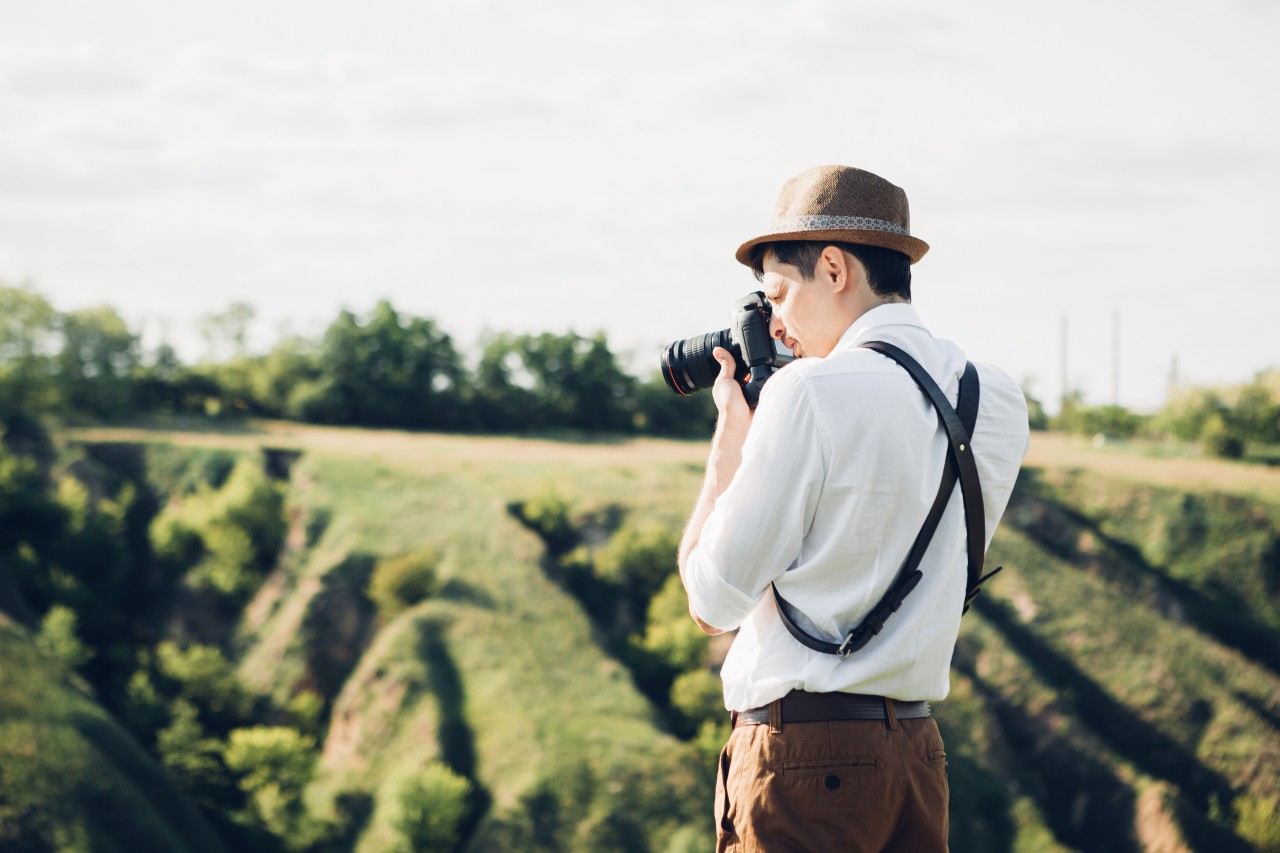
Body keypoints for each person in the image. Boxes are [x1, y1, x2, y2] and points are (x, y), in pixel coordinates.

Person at [677, 165, 1030, 852]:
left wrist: (731, 435)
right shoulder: (995, 398)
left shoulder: (808, 392)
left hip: (803, 759)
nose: (774, 324)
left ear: (834, 268)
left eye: (777, 294)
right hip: (918, 755)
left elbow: (710, 598)